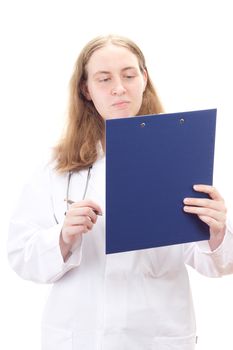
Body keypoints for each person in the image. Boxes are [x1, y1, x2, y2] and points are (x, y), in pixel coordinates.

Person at [7, 34, 233, 350]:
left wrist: (217, 231)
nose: (119, 87)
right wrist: (63, 237)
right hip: (79, 336)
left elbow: (217, 265)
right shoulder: (57, 166)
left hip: (156, 335)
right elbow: (20, 256)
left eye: (129, 75)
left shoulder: (179, 155)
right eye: (104, 78)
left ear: (144, 79)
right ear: (86, 89)